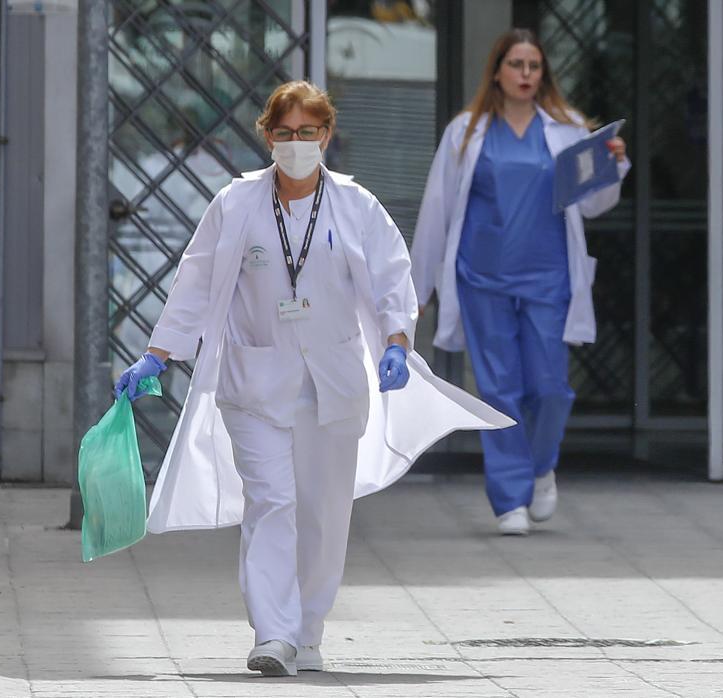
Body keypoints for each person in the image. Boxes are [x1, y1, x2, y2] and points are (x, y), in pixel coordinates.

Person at [114, 81, 510, 677]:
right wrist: (159, 353)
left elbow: (389, 280)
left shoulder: (355, 205)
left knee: (323, 512)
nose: (296, 143)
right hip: (254, 380)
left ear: (326, 135)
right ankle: (273, 633)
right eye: (284, 133)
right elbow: (196, 280)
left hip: (331, 379)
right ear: (266, 137)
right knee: (270, 501)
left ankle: (308, 627)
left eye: (307, 132)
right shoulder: (236, 202)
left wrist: (397, 342)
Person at [411, 29, 630, 536]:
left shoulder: (567, 130)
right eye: (517, 64)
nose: (526, 75)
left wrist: (613, 166)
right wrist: (417, 290)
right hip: (481, 278)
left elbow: (594, 204)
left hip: (548, 278)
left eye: (534, 66)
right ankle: (510, 497)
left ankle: (539, 465)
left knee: (549, 387)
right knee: (499, 390)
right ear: (497, 71)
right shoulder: (466, 131)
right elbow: (438, 211)